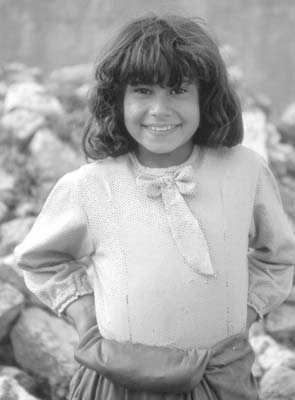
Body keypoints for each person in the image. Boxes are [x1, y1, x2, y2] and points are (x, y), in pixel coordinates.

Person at [14, 14, 295, 400]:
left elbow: (278, 255)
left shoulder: (245, 172)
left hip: (217, 376)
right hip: (118, 381)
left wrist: (242, 314)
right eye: (143, 91)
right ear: (118, 98)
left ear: (205, 96)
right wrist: (85, 318)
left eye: (178, 91)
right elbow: (40, 259)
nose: (160, 109)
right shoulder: (90, 186)